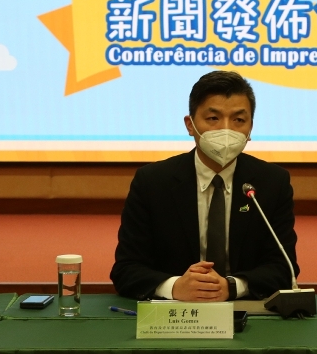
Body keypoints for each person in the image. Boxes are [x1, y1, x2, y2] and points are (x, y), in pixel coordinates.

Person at [111, 70, 298, 302]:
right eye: (213, 118)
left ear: (250, 128)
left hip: (243, 312)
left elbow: (284, 267)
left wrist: (231, 287)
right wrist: (174, 287)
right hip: (175, 313)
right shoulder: (152, 182)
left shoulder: (272, 182)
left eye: (239, 120)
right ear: (190, 125)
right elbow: (126, 269)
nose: (226, 130)